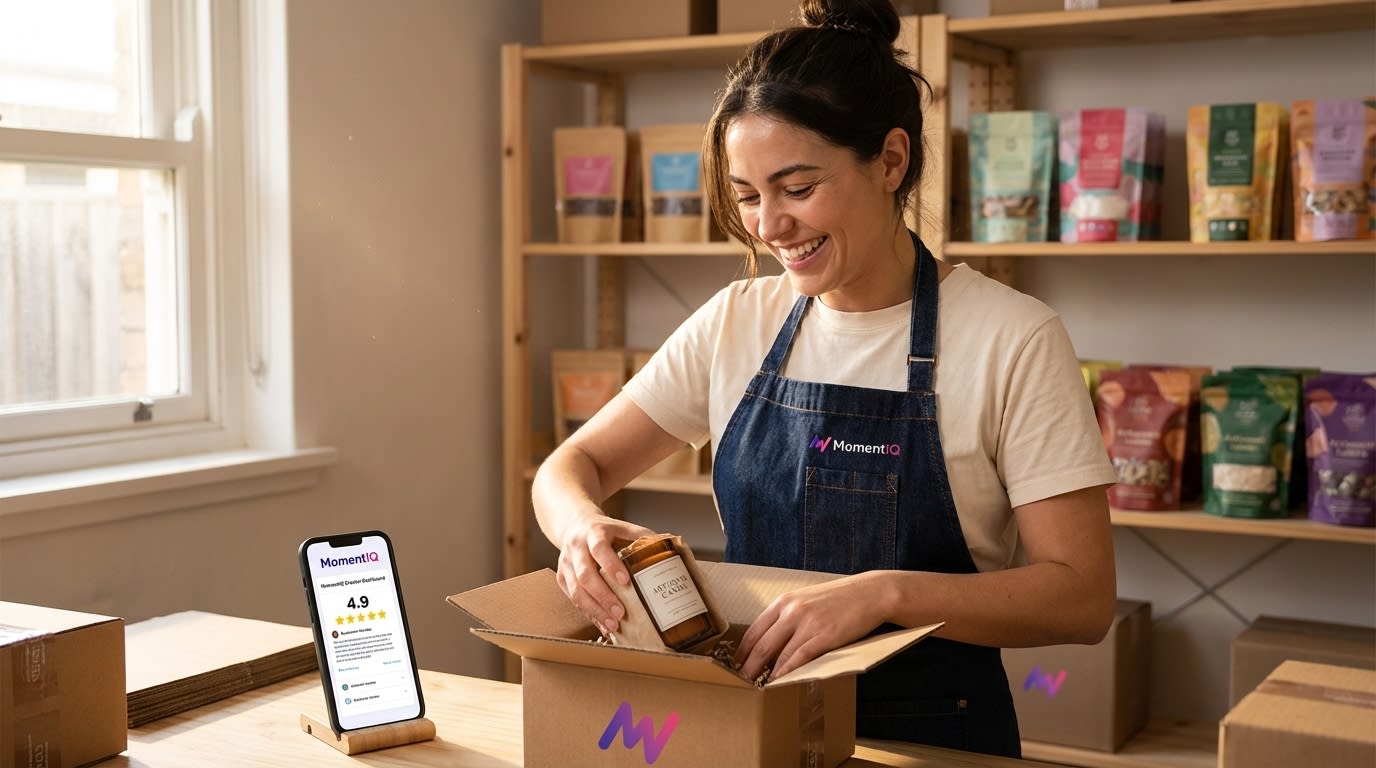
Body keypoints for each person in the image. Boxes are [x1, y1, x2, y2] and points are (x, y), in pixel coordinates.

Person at [532, 0, 1117, 758]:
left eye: (798, 188)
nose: (769, 226)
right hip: (756, 726)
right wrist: (580, 529)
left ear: (891, 161)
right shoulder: (736, 319)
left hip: (935, 739)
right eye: (747, 195)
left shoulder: (1012, 338)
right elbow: (571, 467)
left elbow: (1080, 596)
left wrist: (888, 594)